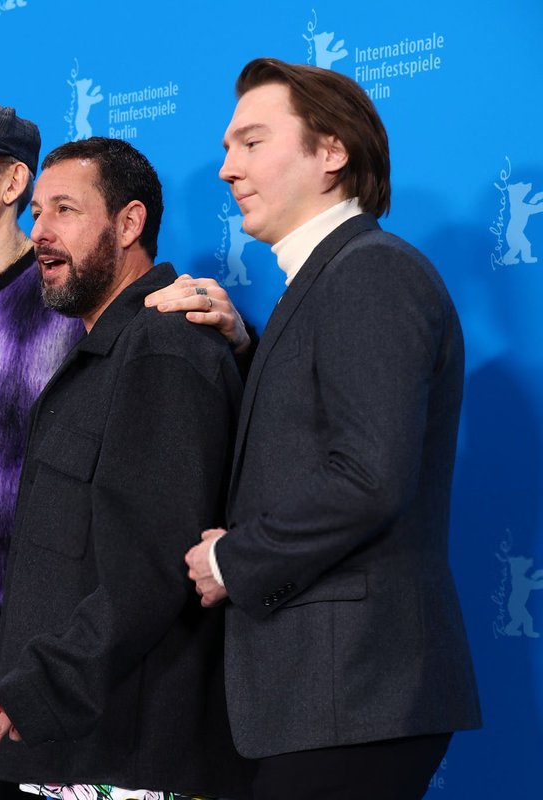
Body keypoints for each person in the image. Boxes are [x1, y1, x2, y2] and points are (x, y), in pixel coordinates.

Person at [0, 95, 251, 800]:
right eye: (40, 214)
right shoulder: (81, 336)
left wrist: (46, 682)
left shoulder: (158, 340)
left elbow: (150, 558)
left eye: (63, 212)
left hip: (120, 731)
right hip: (66, 721)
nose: (41, 232)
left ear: (129, 222)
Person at [184, 57, 482, 800]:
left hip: (355, 690)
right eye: (226, 148)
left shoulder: (370, 272)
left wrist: (235, 559)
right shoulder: (325, 280)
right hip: (325, 695)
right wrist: (248, 347)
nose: (227, 168)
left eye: (251, 143)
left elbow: (369, 476)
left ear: (331, 151)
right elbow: (318, 427)